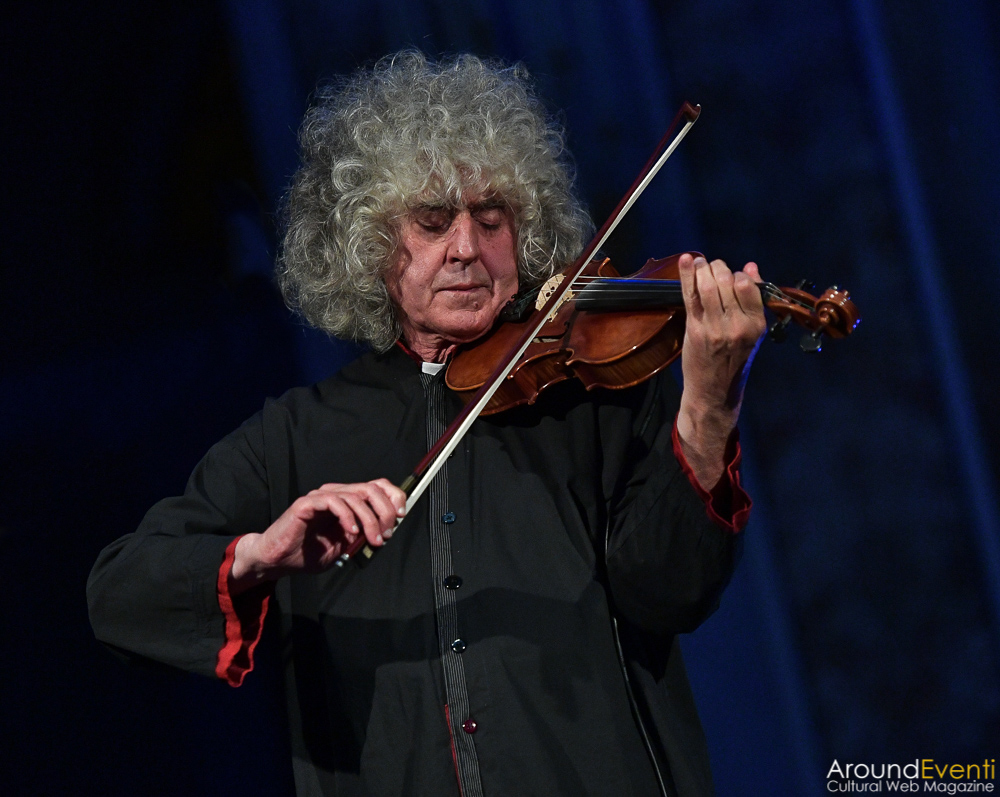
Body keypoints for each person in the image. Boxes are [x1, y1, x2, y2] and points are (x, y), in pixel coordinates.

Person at [88, 51, 766, 797]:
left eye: (491, 217)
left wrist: (708, 407)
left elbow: (671, 591)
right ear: (373, 243)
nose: (467, 248)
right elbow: (119, 594)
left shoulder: (595, 398)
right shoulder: (295, 437)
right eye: (434, 221)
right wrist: (259, 553)